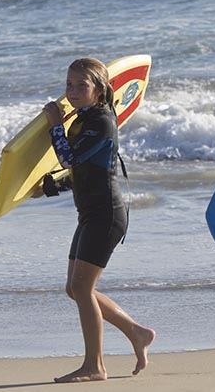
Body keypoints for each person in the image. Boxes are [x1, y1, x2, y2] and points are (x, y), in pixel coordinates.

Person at [38, 57, 156, 383]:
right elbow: (83, 170)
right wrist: (48, 187)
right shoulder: (83, 119)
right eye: (68, 84)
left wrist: (54, 125)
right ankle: (136, 332)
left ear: (100, 89)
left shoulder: (100, 121)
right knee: (74, 289)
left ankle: (95, 366)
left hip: (106, 215)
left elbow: (69, 157)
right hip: (90, 213)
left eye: (81, 85)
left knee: (81, 286)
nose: (72, 91)